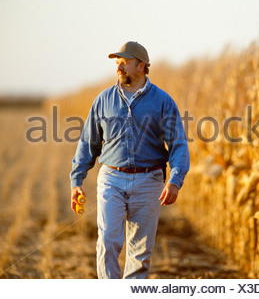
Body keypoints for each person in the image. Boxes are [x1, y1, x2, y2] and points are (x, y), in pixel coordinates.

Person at [69, 41, 190, 279]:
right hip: (111, 179)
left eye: (124, 63)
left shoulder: (163, 101)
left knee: (140, 254)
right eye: (117, 63)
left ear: (140, 65)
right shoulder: (103, 100)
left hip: (150, 181)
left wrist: (175, 181)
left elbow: (178, 144)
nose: (119, 68)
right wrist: (76, 180)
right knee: (107, 242)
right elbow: (88, 143)